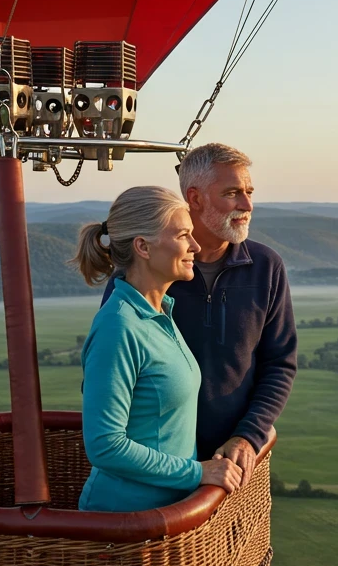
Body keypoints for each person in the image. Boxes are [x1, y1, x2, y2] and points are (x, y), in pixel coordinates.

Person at [101, 143, 296, 483]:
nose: (247, 205)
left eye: (249, 192)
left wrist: (248, 435)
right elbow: (110, 382)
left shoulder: (265, 268)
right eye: (232, 193)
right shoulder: (145, 277)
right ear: (194, 198)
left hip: (233, 467)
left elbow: (279, 362)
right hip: (158, 472)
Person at [72, 186, 242, 512]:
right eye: (182, 235)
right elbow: (105, 445)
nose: (195, 246)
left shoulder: (159, 311)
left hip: (161, 517)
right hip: (122, 523)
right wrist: (197, 472)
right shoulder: (119, 326)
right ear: (143, 247)